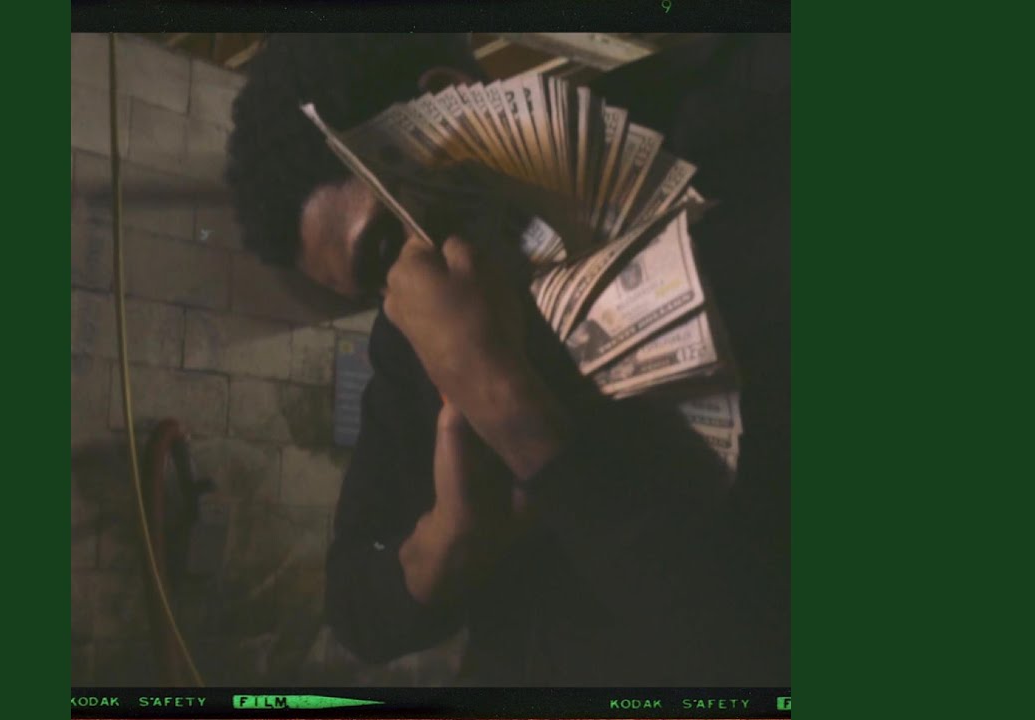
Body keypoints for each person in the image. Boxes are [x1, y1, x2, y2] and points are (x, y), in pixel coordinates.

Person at [225, 33, 788, 685]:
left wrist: (517, 419)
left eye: (383, 250)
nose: (402, 301)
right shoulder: (406, 334)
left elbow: (752, 648)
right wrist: (449, 541)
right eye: (375, 291)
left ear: (450, 106)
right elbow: (354, 605)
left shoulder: (753, 157)